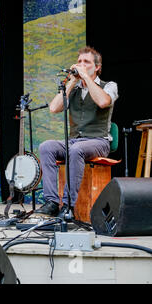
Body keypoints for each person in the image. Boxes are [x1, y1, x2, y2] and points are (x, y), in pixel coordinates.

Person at [36, 46, 118, 218]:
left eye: (86, 62)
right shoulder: (73, 88)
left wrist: (86, 78)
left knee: (75, 150)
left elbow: (103, 102)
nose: (81, 65)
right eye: (79, 61)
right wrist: (72, 82)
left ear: (97, 67)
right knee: (46, 147)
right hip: (74, 141)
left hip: (99, 141)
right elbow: (54, 108)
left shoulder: (109, 86)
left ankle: (68, 206)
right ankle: (51, 202)